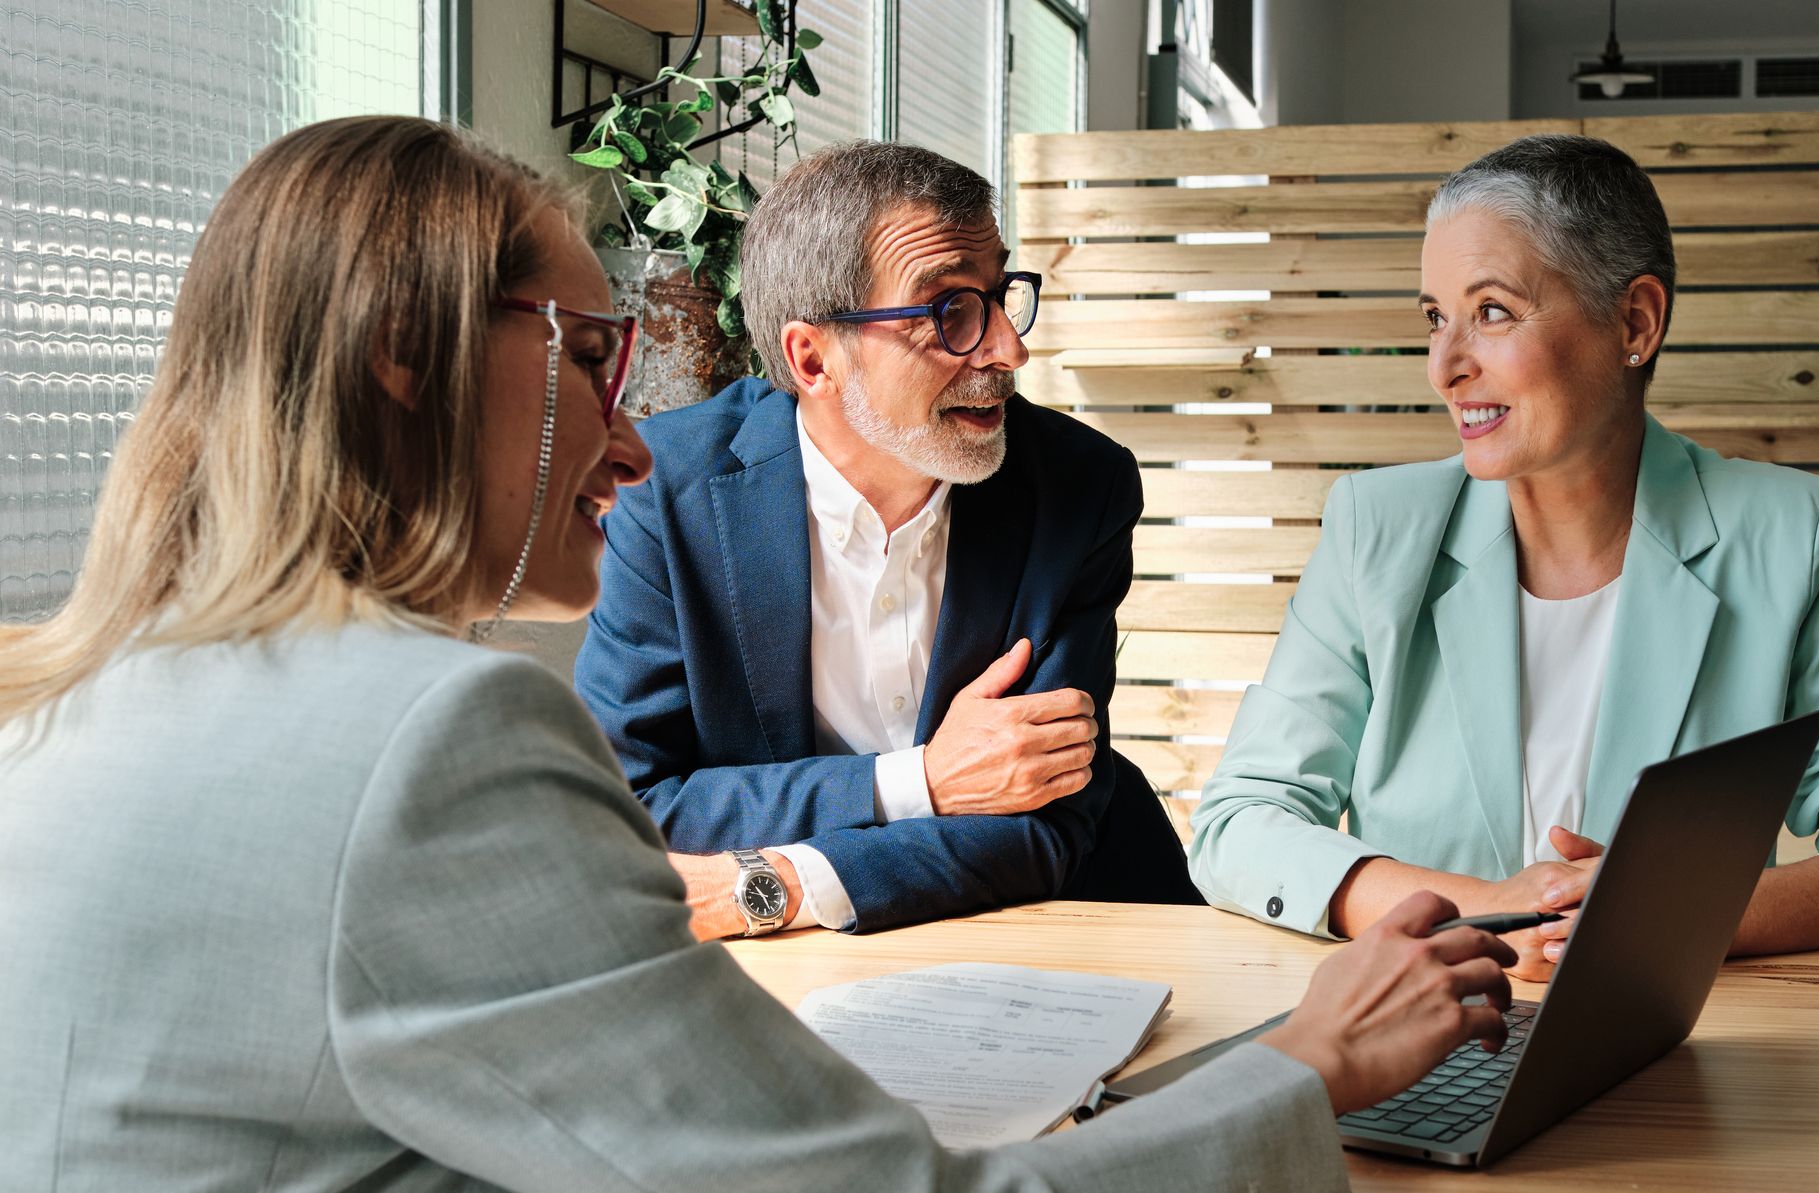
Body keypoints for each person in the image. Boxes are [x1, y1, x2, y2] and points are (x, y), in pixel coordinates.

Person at [0, 115, 1518, 1191]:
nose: (628, 435)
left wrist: (752, 882)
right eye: (593, 351)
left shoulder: (83, 700)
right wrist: (1301, 1074)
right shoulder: (430, 738)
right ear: (413, 353)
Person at [1187, 134, 1819, 979]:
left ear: (1634, 322)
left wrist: (1669, 909)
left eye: (1490, 311)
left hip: (1681, 1049)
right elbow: (1241, 822)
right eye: (1434, 317)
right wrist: (1481, 913)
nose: (1444, 366)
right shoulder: (1372, 531)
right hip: (1428, 1040)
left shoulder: (1789, 536)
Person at [573, 139, 1195, 939]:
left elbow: (1048, 815)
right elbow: (629, 804)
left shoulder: (1079, 487)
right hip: (785, 972)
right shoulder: (664, 490)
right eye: (949, 313)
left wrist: (784, 883)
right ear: (812, 357)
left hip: (1062, 926)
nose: (1008, 348)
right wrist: (920, 781)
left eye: (1000, 296)